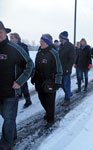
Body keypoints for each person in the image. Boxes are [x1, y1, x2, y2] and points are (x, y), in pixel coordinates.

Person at [0, 21, 33, 150]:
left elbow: (30, 64)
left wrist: (20, 81)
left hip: (11, 92)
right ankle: (12, 135)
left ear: (5, 33)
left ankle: (6, 144)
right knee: (7, 117)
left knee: (8, 118)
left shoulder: (14, 48)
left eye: (0, 32)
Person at [31, 34, 62, 128]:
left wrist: (57, 82)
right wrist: (33, 77)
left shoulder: (54, 53)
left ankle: (50, 119)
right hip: (39, 81)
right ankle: (48, 112)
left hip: (50, 82)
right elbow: (36, 66)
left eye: (43, 41)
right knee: (42, 100)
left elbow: (59, 68)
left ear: (48, 43)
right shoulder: (39, 52)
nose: (41, 43)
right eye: (40, 41)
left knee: (50, 102)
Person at [9, 33, 32, 108]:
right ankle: (19, 94)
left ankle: (28, 100)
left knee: (24, 85)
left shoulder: (22, 47)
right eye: (10, 38)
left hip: (21, 70)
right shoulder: (10, 47)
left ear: (17, 38)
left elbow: (27, 60)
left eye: (12, 38)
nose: (10, 39)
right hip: (13, 70)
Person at [59, 31, 75, 106]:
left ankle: (67, 99)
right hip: (60, 69)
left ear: (63, 38)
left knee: (66, 84)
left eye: (60, 37)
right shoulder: (61, 46)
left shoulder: (70, 46)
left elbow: (72, 59)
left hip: (66, 69)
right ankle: (68, 93)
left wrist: (68, 68)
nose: (59, 38)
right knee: (61, 84)